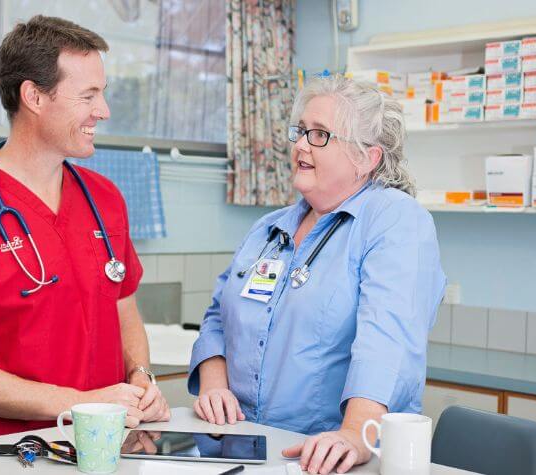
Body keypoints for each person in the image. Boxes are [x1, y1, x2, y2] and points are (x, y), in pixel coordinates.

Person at [0, 15, 169, 443]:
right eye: (88, 95)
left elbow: (124, 312)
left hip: (104, 448)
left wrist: (140, 376)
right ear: (34, 97)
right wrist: (75, 403)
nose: (104, 111)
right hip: (6, 454)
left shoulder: (105, 200)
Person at [187, 75, 446, 474]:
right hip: (241, 445)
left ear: (367, 157)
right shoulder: (270, 229)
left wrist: (356, 434)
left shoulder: (395, 220)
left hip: (325, 455)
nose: (301, 145)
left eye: (321, 135)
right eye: (301, 131)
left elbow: (388, 339)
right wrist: (214, 382)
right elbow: (219, 316)